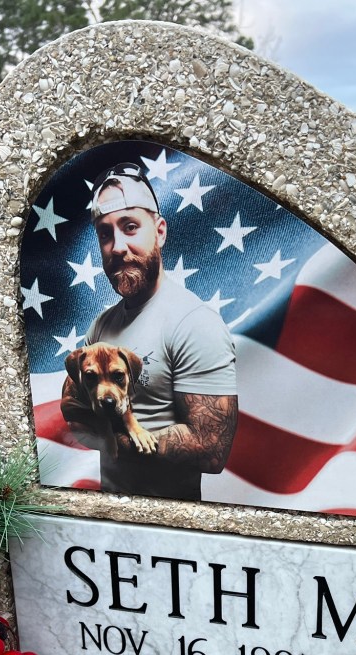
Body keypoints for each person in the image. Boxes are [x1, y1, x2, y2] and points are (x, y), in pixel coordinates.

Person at [61, 162, 237, 499]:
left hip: (169, 520)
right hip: (107, 509)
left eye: (130, 227)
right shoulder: (100, 327)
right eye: (105, 234)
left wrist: (117, 438)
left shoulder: (194, 323)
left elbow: (210, 449)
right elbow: (74, 412)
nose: (117, 247)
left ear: (159, 232)